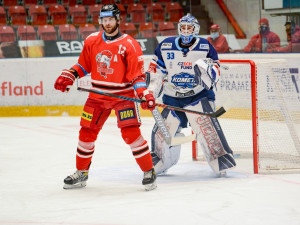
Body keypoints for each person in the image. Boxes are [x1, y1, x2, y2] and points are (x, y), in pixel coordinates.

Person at [54, 4, 157, 191]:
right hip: (97, 96)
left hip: (122, 97)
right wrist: (70, 74)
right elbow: (83, 65)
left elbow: (137, 76)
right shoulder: (92, 40)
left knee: (131, 134)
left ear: (118, 20)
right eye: (104, 20)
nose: (107, 23)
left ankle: (149, 171)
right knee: (86, 133)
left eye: (110, 19)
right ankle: (81, 173)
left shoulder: (130, 44)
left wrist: (144, 94)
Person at [146, 14, 236, 176]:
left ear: (196, 30)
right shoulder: (166, 46)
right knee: (163, 130)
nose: (186, 31)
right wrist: (151, 92)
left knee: (206, 128)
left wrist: (209, 72)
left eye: (189, 28)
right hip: (172, 96)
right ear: (179, 29)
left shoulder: (205, 46)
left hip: (198, 95)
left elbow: (216, 68)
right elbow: (156, 71)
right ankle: (160, 159)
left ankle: (219, 159)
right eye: (183, 28)